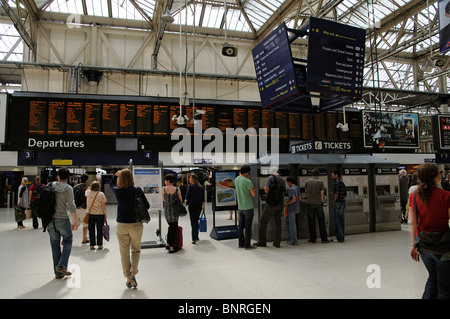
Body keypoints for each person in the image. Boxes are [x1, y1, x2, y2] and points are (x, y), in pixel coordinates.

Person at [409, 163, 450, 299]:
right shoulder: (446, 196)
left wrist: (414, 245)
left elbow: (413, 223)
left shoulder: (414, 196)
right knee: (445, 288)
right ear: (436, 176)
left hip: (424, 246)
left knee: (433, 279)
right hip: (444, 247)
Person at [110, 169, 149, 288]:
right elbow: (146, 205)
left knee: (124, 252)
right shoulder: (137, 190)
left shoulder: (117, 191)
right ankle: (133, 274)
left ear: (119, 179)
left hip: (121, 225)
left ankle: (127, 278)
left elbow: (111, 184)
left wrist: (115, 174)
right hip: (136, 225)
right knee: (136, 250)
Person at [48, 168, 78, 279]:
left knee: (55, 245)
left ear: (58, 176)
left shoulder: (51, 186)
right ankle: (61, 265)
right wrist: (75, 220)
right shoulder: (68, 188)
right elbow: (71, 205)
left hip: (50, 220)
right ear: (68, 177)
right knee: (68, 240)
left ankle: (58, 273)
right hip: (63, 218)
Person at [254, 166, 286, 248]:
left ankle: (262, 241)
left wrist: (266, 190)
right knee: (278, 223)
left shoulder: (270, 178)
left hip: (271, 204)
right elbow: (284, 192)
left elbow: (266, 189)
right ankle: (277, 242)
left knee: (263, 221)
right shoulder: (282, 180)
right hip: (280, 204)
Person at [235, 165, 256, 250]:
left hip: (240, 207)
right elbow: (253, 194)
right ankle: (247, 245)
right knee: (248, 227)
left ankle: (241, 243)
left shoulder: (236, 179)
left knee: (241, 226)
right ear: (247, 172)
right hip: (248, 206)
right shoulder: (248, 181)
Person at [305, 169, 329, 243]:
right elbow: (322, 193)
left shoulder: (307, 182)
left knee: (311, 222)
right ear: (318, 175)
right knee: (321, 221)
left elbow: (306, 192)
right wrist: (322, 200)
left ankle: (313, 239)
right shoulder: (320, 182)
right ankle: (324, 239)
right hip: (318, 203)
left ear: (312, 174)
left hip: (309, 203)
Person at [162, 174, 183, 253]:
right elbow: (180, 200)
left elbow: (163, 199)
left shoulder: (163, 188)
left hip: (167, 211)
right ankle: (171, 246)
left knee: (171, 226)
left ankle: (168, 243)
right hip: (175, 211)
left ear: (167, 181)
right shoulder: (177, 189)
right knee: (173, 228)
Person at [85, 181, 107, 250]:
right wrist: (105, 214)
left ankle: (92, 244)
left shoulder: (88, 193)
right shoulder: (101, 194)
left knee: (91, 229)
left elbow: (86, 191)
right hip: (100, 214)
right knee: (100, 229)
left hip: (90, 214)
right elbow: (103, 205)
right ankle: (100, 244)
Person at [185, 174, 205, 244]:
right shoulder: (201, 186)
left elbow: (187, 196)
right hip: (199, 206)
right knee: (196, 220)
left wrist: (186, 201)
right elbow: (203, 198)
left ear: (193, 179)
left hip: (192, 206)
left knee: (193, 222)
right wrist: (203, 206)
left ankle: (194, 238)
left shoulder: (190, 187)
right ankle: (197, 236)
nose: (189, 180)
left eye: (190, 178)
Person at [73, 174, 89, 244]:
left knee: (74, 223)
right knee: (85, 224)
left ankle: (65, 239)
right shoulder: (87, 188)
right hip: (83, 208)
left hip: (75, 207)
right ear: (87, 180)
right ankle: (84, 239)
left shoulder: (75, 187)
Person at [331, 170, 346, 243]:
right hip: (343, 203)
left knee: (337, 221)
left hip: (337, 203)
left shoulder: (336, 183)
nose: (332, 176)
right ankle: (342, 236)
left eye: (333, 175)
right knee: (341, 220)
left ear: (336, 175)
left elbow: (336, 193)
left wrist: (334, 201)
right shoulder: (342, 183)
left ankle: (339, 238)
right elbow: (345, 194)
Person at [284, 176, 300, 245]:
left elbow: (294, 199)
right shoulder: (297, 188)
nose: (287, 183)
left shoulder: (291, 189)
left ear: (289, 182)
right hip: (296, 208)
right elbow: (299, 198)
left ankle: (293, 240)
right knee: (289, 222)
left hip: (291, 209)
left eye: (287, 182)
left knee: (292, 225)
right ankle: (292, 238)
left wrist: (287, 203)